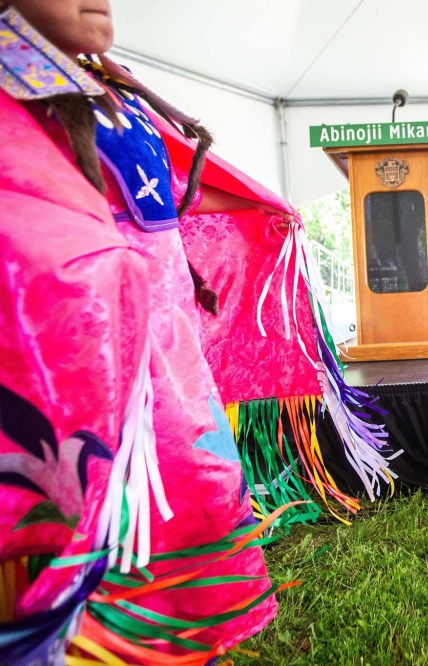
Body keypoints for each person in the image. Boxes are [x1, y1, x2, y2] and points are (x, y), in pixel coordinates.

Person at [0, 1, 280, 660]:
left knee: (201, 494)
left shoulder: (108, 84)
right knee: (105, 522)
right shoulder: (18, 86)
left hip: (166, 336)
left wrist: (261, 208)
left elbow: (163, 187)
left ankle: (172, 640)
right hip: (90, 355)